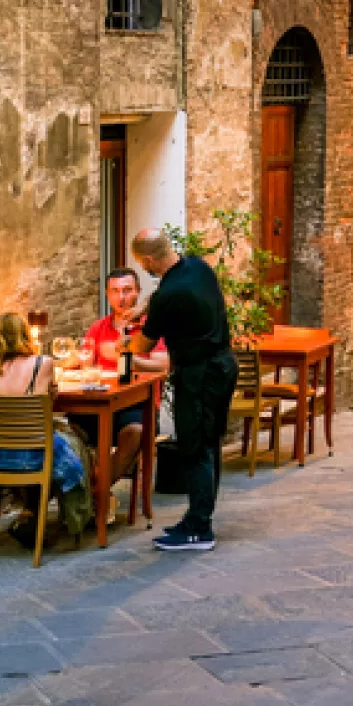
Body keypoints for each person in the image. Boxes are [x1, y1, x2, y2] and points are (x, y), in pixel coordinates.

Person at [122, 228, 238, 553]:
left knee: (195, 447)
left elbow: (143, 345)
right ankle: (200, 517)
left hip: (199, 375)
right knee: (208, 442)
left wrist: (123, 344)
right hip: (222, 365)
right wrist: (144, 308)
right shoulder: (197, 268)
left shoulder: (169, 295)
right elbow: (163, 296)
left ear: (146, 260)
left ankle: (199, 528)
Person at [0, 312, 91, 548]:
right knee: (70, 444)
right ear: (24, 335)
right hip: (28, 457)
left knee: (45, 442)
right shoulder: (42, 363)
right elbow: (48, 402)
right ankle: (69, 519)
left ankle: (21, 517)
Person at [75, 267, 170, 484]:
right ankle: (88, 486)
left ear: (137, 292)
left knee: (135, 432)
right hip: (99, 404)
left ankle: (98, 492)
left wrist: (127, 358)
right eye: (115, 291)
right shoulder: (98, 328)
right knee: (69, 431)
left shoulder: (150, 327)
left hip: (137, 405)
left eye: (127, 290)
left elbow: (164, 364)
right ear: (108, 295)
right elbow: (84, 358)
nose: (121, 297)